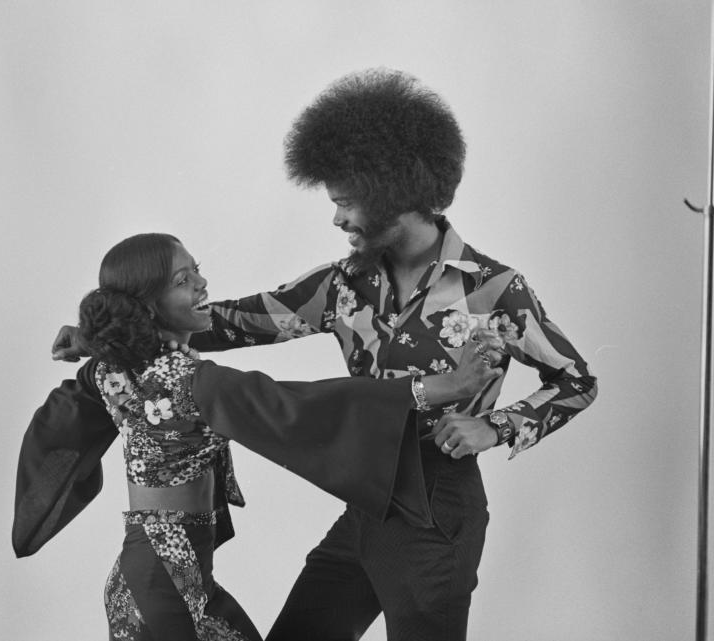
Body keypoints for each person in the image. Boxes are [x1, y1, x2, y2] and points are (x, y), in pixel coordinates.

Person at [51, 70, 598, 640]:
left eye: (346, 203)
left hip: (437, 506)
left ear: (394, 192)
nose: (336, 218)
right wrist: (110, 334)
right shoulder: (342, 284)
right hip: (365, 497)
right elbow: (234, 322)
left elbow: (577, 380)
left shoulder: (494, 288)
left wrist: (496, 426)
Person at [15, 232, 506, 641]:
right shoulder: (193, 384)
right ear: (147, 307)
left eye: (197, 270)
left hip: (143, 577)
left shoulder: (111, 367)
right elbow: (299, 410)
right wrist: (446, 386)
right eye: (183, 281)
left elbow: (61, 415)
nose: (203, 283)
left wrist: (91, 340)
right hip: (171, 586)